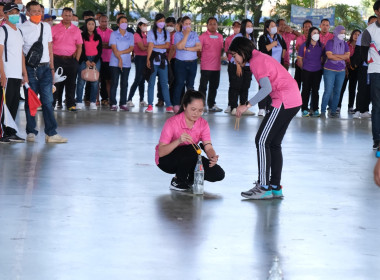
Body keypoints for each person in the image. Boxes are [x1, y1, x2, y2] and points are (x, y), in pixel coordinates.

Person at [230, 37, 302, 199]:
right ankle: (275, 186)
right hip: (293, 99)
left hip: (283, 100)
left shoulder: (257, 61)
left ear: (242, 51)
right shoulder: (259, 57)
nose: (234, 59)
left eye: (235, 55)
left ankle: (263, 186)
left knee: (261, 141)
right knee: (274, 143)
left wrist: (246, 105)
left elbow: (266, 89)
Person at [156, 90, 225, 191]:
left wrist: (212, 156)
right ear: (184, 106)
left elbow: (208, 146)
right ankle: (177, 181)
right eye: (193, 109)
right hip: (166, 160)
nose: (196, 113)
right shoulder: (172, 122)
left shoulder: (203, 124)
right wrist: (178, 141)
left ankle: (189, 179)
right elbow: (161, 152)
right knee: (192, 149)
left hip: (189, 158)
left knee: (218, 173)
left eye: (200, 110)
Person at [20, 1, 67, 143]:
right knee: (31, 101)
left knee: (48, 101)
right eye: (33, 11)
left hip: (46, 68)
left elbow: (49, 47)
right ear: (28, 13)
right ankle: (31, 131)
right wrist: (25, 74)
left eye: (39, 11)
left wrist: (52, 68)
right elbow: (21, 53)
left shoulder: (46, 26)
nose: (37, 14)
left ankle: (51, 133)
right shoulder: (22, 28)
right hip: (30, 69)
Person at [0, 3, 28, 143]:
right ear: (5, 15)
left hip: (17, 74)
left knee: (13, 104)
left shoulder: (19, 31)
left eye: (17, 12)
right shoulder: (2, 30)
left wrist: (24, 73)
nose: (15, 15)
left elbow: (21, 54)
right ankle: (3, 133)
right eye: (11, 13)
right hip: (7, 74)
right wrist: (2, 74)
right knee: (4, 105)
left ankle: (10, 132)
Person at [52, 7, 83, 111]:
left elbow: (79, 46)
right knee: (55, 83)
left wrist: (76, 61)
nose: (67, 17)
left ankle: (70, 104)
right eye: (65, 15)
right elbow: (50, 44)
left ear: (72, 16)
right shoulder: (54, 28)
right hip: (56, 59)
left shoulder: (76, 30)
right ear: (62, 15)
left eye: (70, 15)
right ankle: (52, 103)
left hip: (71, 61)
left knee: (71, 83)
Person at [258, 19, 287, 116]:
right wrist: (273, 44)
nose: (274, 27)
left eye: (275, 25)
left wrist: (281, 58)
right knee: (264, 86)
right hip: (265, 67)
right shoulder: (263, 38)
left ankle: (269, 107)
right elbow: (263, 49)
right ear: (267, 28)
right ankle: (261, 108)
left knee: (273, 88)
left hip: (277, 67)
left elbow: (284, 48)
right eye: (272, 26)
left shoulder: (279, 37)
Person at [145, 13, 173, 113]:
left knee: (164, 83)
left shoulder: (166, 33)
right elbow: (150, 46)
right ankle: (150, 105)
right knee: (151, 83)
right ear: (156, 22)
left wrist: (156, 46)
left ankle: (169, 105)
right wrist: (148, 59)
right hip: (153, 60)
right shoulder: (151, 32)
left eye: (163, 21)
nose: (162, 23)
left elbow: (167, 46)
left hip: (163, 61)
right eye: (160, 21)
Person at [173, 16, 201, 113]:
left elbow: (199, 47)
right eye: (186, 24)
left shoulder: (194, 34)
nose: (188, 26)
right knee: (180, 83)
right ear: (182, 24)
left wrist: (187, 48)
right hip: (181, 63)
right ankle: (176, 104)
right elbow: (179, 46)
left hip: (193, 62)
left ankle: (189, 104)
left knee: (190, 85)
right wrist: (186, 35)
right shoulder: (177, 35)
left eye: (189, 23)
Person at [362, 0, 380, 149]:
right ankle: (377, 139)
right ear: (377, 11)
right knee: (377, 107)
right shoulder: (369, 30)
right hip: (376, 72)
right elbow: (363, 53)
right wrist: (372, 61)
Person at [351, 16, 377, 121]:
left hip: (376, 67)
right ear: (368, 24)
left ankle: (365, 110)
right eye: (372, 22)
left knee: (372, 89)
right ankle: (358, 110)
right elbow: (358, 52)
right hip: (364, 67)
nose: (374, 24)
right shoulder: (363, 35)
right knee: (362, 88)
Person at [227, 19, 255, 116]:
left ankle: (243, 106)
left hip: (247, 66)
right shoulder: (238, 37)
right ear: (243, 27)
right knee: (235, 86)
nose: (250, 28)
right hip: (236, 65)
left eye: (251, 26)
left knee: (245, 87)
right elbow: (233, 51)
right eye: (248, 26)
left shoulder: (251, 38)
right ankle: (233, 107)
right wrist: (238, 66)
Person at [321, 25, 350, 118]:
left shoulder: (345, 43)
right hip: (329, 70)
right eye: (341, 32)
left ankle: (333, 111)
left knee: (338, 91)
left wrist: (335, 56)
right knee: (328, 91)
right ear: (336, 32)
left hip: (341, 71)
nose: (342, 34)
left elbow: (347, 56)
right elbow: (329, 56)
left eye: (344, 33)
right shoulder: (330, 42)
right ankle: (322, 111)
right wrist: (341, 57)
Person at [75, 18, 102, 110]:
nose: (91, 26)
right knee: (81, 81)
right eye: (89, 24)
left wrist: (94, 61)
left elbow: (100, 51)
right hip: (84, 60)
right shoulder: (81, 35)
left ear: (95, 26)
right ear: (86, 25)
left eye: (93, 24)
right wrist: (86, 60)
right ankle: (79, 101)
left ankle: (93, 102)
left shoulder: (98, 37)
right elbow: (80, 49)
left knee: (95, 81)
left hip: (95, 60)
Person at [297, 27, 324, 117]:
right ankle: (304, 108)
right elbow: (299, 59)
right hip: (306, 71)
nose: (316, 34)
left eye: (317, 33)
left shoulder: (321, 46)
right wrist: (304, 68)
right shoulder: (304, 46)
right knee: (306, 90)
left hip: (317, 71)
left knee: (315, 90)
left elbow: (322, 58)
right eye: (314, 33)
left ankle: (315, 108)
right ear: (310, 34)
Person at [198, 17, 224, 112]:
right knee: (203, 87)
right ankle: (201, 105)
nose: (213, 26)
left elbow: (222, 49)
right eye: (210, 24)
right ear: (207, 25)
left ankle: (211, 104)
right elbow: (199, 51)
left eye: (214, 24)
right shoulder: (202, 36)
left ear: (217, 25)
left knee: (214, 86)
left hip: (216, 67)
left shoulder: (220, 36)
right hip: (206, 66)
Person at [109, 15, 134, 111]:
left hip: (127, 63)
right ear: (118, 24)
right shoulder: (114, 34)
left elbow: (131, 48)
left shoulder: (130, 35)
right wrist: (119, 59)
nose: (124, 23)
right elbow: (114, 49)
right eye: (122, 22)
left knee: (124, 83)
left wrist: (121, 53)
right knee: (114, 83)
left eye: (126, 22)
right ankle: (113, 103)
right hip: (115, 62)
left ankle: (123, 103)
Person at [127, 17, 149, 107]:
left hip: (145, 58)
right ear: (139, 25)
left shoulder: (145, 35)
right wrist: (151, 46)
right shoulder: (136, 35)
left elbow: (146, 46)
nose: (145, 26)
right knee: (137, 79)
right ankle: (129, 99)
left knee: (142, 80)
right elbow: (142, 47)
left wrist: (150, 46)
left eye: (146, 25)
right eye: (144, 25)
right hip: (139, 58)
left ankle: (141, 100)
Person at [338, 29, 361, 113]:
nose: (356, 36)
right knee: (342, 87)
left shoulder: (360, 46)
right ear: (352, 35)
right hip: (345, 68)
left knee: (352, 88)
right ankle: (338, 106)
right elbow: (341, 55)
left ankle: (350, 107)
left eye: (358, 35)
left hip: (355, 69)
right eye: (355, 34)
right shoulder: (346, 44)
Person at [156, 16, 177, 107]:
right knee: (161, 80)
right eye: (167, 25)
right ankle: (161, 99)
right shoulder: (163, 34)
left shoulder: (177, 34)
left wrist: (167, 49)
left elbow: (174, 48)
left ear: (175, 25)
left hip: (174, 60)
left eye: (171, 25)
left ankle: (171, 99)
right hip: (162, 59)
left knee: (173, 80)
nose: (169, 27)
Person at [224, 20, 241, 113]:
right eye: (235, 26)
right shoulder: (228, 39)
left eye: (239, 26)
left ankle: (239, 104)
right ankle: (230, 105)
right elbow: (227, 51)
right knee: (232, 85)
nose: (237, 28)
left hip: (241, 64)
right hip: (232, 64)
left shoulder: (243, 37)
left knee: (241, 85)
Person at [97, 14, 112, 106]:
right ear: (99, 22)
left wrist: (101, 45)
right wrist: (105, 45)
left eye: (106, 21)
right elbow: (96, 45)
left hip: (109, 59)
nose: (104, 23)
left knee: (108, 80)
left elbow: (112, 45)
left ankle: (107, 99)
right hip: (97, 59)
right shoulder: (95, 31)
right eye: (102, 21)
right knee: (97, 80)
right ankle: (96, 100)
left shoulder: (111, 32)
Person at [294, 20, 312, 89]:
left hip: (310, 65)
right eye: (305, 27)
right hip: (300, 63)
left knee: (307, 85)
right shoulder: (299, 38)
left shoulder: (314, 39)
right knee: (297, 84)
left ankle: (305, 99)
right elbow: (299, 50)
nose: (307, 28)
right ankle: (297, 99)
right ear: (303, 28)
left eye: (309, 27)